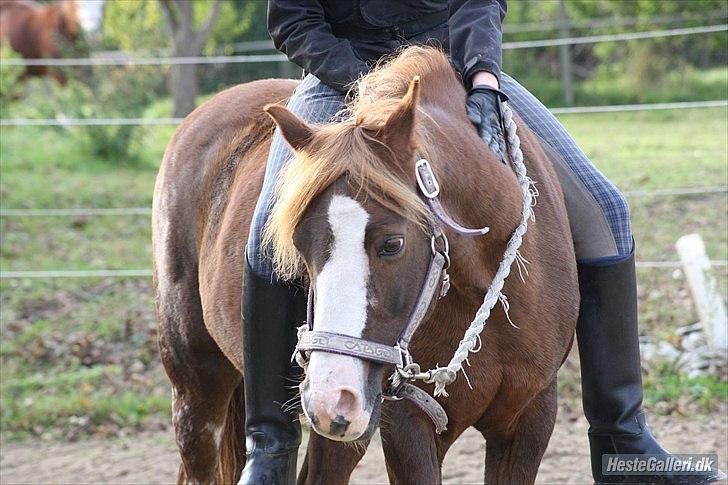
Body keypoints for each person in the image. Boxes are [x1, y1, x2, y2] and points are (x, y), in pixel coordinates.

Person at [239, 1, 726, 484]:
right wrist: (370, 85)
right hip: (340, 79)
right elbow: (293, 19)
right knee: (266, 237)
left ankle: (625, 441)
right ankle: (270, 447)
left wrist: (485, 80)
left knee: (607, 214)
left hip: (453, 71)